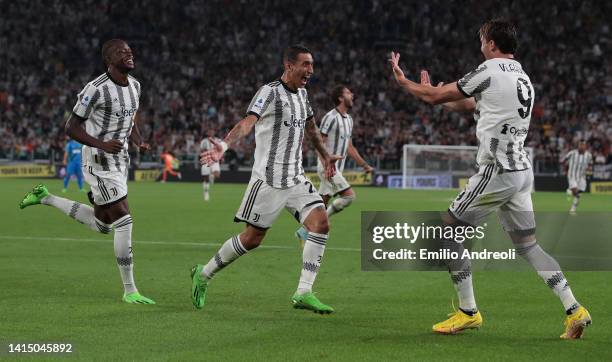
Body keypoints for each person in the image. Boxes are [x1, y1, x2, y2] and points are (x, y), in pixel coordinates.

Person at [388, 18, 590, 339]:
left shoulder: (489, 69)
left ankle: (468, 311)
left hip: (497, 170)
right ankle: (574, 309)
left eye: (482, 39)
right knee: (529, 245)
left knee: (449, 230)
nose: (480, 44)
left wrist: (408, 84)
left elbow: (434, 98)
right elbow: (471, 104)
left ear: (492, 44)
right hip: (521, 172)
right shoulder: (522, 76)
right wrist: (434, 91)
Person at [192, 44, 341, 314]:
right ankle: (204, 274)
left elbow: (311, 128)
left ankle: (303, 291)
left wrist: (325, 156)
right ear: (289, 65)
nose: (310, 70)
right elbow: (248, 122)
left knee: (321, 223)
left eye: (312, 64)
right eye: (305, 64)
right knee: (252, 238)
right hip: (268, 180)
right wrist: (224, 146)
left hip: (295, 178)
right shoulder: (269, 92)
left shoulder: (303, 95)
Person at [19, 39, 155, 305]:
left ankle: (45, 197)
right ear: (109, 59)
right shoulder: (95, 89)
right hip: (98, 162)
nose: (129, 54)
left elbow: (132, 118)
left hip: (120, 161)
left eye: (129, 51)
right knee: (124, 220)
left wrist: (139, 141)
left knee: (103, 224)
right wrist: (102, 144)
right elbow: (71, 127)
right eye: (121, 52)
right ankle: (130, 290)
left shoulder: (136, 86)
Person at [295, 85, 373, 244]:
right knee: (349, 197)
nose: (352, 94)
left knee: (322, 201)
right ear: (340, 98)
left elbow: (350, 148)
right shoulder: (330, 117)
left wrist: (364, 165)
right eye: (348, 93)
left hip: (337, 168)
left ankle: (305, 231)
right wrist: (326, 165)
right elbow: (319, 143)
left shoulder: (349, 120)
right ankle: (307, 230)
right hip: (328, 167)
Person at [562, 141, 592, 215]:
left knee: (580, 193)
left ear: (585, 146)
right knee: (576, 192)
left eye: (583, 145)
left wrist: (589, 169)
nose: (582, 146)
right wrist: (565, 170)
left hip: (582, 177)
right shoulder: (572, 153)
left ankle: (573, 207)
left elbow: (590, 164)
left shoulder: (589, 155)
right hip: (572, 175)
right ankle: (572, 207)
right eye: (580, 145)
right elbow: (564, 161)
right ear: (578, 146)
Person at [199, 129, 222, 201]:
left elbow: (221, 149)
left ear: (214, 132)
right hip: (206, 159)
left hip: (215, 160)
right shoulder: (204, 141)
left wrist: (221, 157)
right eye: (209, 131)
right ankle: (206, 193)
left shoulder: (218, 140)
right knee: (205, 178)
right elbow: (201, 150)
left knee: (217, 175)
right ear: (207, 133)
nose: (211, 132)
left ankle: (212, 176)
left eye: (212, 131)